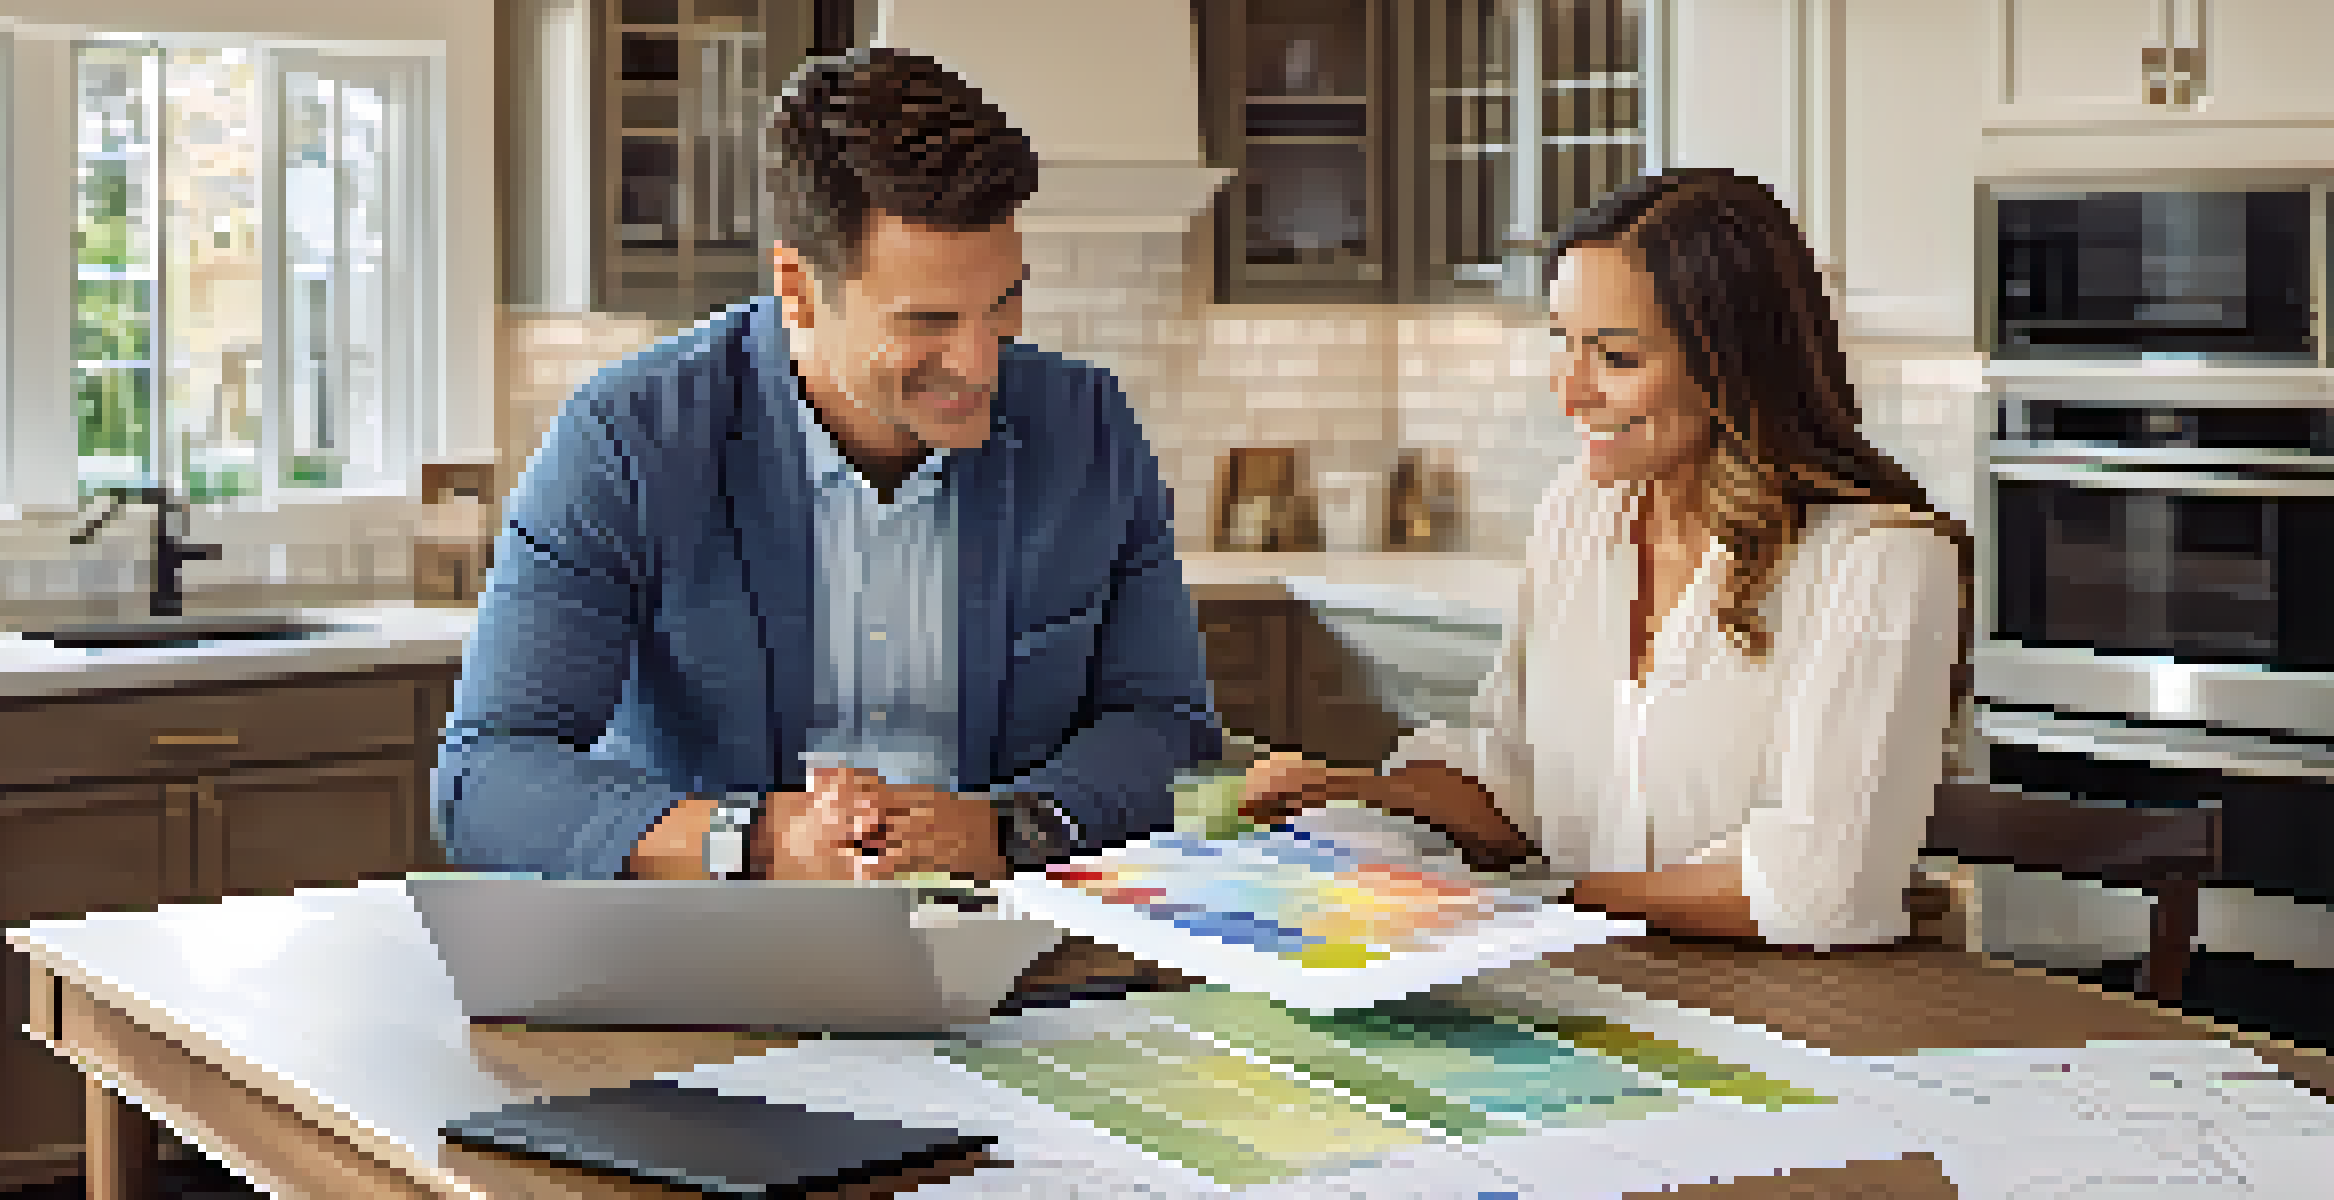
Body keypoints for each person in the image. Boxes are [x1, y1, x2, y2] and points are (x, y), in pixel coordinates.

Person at [435, 48, 1221, 883]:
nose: (980, 363)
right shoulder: (627, 439)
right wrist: (755, 841)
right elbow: (487, 780)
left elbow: (1169, 726)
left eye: (1004, 302)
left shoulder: (1089, 429)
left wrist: (1011, 827)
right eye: (927, 321)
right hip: (719, 937)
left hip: (1013, 934)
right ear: (799, 288)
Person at [1243, 168, 1970, 951]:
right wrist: (1350, 791)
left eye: (1616, 357)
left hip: (1782, 1006)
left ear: (1733, 368)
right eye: (1563, 341)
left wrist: (1536, 902)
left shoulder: (1880, 563)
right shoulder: (1578, 513)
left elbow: (1817, 890)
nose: (1570, 391)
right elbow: (1519, 788)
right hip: (1590, 984)